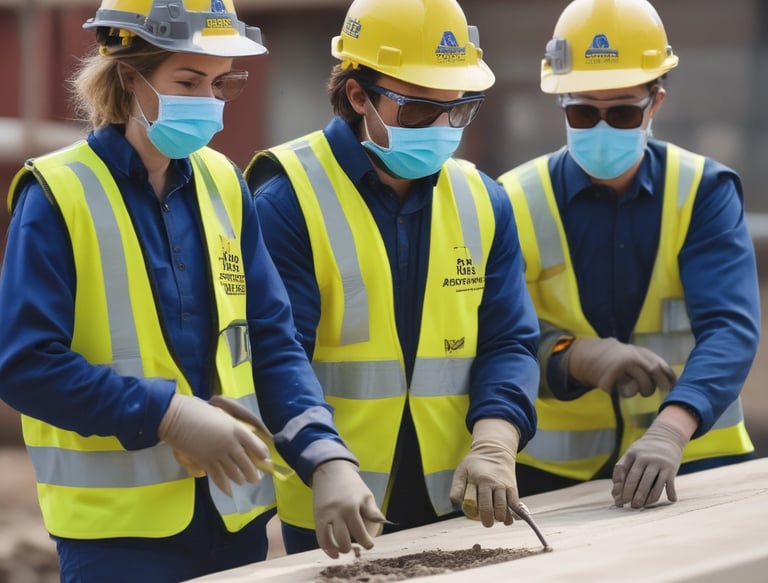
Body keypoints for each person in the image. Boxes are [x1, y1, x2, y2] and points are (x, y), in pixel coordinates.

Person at [0, 1, 384, 580]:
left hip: (236, 520)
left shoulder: (225, 183)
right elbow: (25, 364)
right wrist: (168, 414)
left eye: (220, 82)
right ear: (129, 77)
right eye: (188, 81)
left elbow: (272, 343)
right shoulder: (57, 194)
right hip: (117, 538)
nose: (208, 101)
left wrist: (325, 455)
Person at [244, 0, 540, 555]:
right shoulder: (286, 199)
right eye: (420, 110)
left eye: (458, 110)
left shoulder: (483, 199)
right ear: (358, 95)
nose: (443, 128)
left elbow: (510, 340)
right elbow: (276, 355)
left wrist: (497, 438)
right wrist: (324, 461)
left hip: (457, 500)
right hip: (336, 505)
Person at [498, 0, 759, 510]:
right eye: (582, 111)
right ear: (561, 105)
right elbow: (498, 337)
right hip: (553, 478)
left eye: (621, 111)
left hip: (692, 463)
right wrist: (572, 358)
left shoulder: (703, 191)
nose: (600, 127)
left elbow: (731, 328)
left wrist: (671, 430)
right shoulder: (512, 200)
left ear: (655, 103)